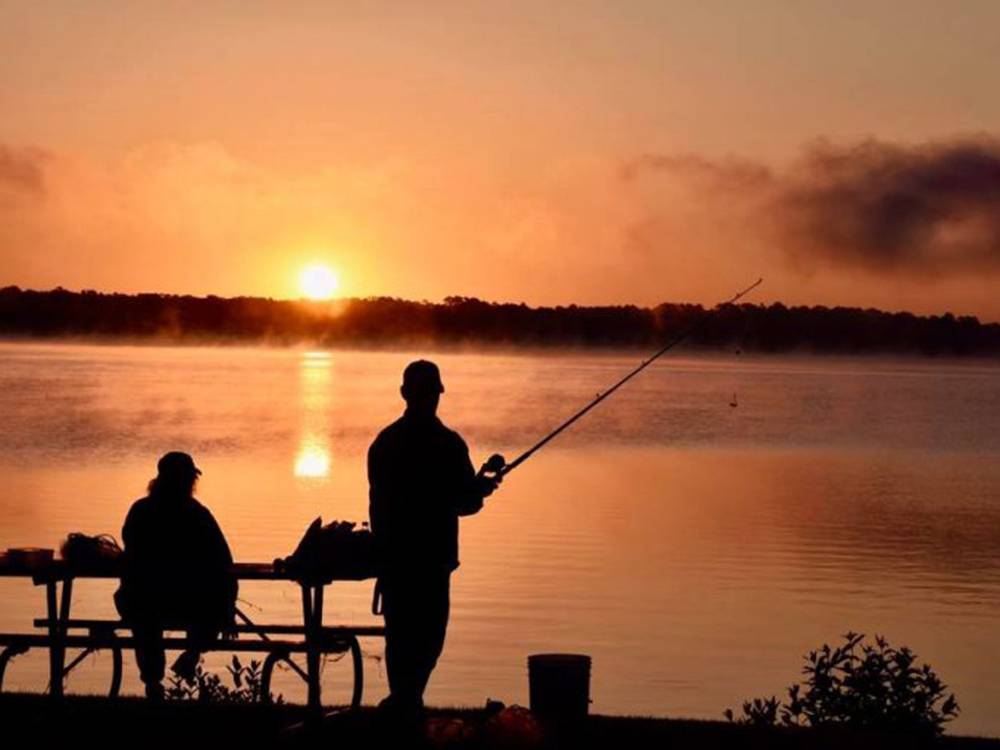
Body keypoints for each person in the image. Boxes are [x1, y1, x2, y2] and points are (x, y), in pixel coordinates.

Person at [368, 360, 501, 717]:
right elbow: (465, 502)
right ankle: (408, 702)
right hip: (432, 559)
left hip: (395, 558)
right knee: (428, 636)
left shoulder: (385, 442)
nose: (432, 399)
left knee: (400, 634)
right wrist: (481, 489)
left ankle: (404, 701)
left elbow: (379, 505)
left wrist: (474, 490)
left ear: (404, 394)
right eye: (431, 392)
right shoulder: (448, 444)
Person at [114, 451, 237, 699]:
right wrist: (229, 605)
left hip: (145, 602)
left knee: (143, 615)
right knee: (215, 604)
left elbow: (130, 555)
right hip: (187, 605)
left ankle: (152, 681)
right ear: (188, 481)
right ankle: (191, 654)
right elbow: (224, 562)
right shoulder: (198, 514)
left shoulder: (140, 511)